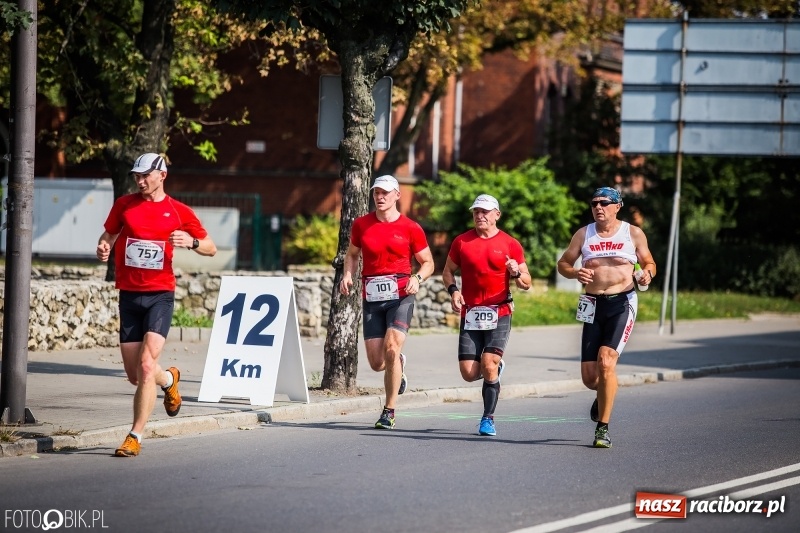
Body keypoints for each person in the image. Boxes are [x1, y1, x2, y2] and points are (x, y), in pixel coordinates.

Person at [97, 153, 217, 457]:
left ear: (161, 175)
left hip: (160, 295)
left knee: (147, 364)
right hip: (129, 295)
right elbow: (109, 234)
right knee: (136, 376)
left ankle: (134, 436)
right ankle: (170, 380)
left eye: (145, 176)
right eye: (136, 176)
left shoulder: (178, 211)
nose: (139, 181)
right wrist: (103, 246)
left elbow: (210, 247)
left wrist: (190, 242)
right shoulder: (124, 205)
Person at [557, 187, 656, 448]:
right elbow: (563, 264)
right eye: (594, 203)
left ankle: (603, 428)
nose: (598, 207)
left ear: (617, 206)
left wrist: (647, 274)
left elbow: (649, 262)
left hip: (622, 303)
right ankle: (603, 393)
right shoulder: (584, 234)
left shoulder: (632, 233)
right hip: (591, 304)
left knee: (606, 360)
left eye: (604, 203)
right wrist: (575, 273)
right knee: (590, 378)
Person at [339, 175, 435, 429]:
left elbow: (428, 263)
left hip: (401, 295)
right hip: (372, 297)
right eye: (376, 193)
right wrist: (348, 274)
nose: (380, 197)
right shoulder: (362, 225)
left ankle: (389, 411)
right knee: (377, 362)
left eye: (385, 193)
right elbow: (352, 255)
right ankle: (399, 365)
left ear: (397, 195)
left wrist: (417, 277)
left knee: (392, 347)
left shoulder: (410, 227)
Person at [441, 194, 531, 436]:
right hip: (471, 313)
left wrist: (515, 273)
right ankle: (494, 367)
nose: (480, 216)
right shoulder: (462, 242)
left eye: (485, 212)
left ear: (496, 215)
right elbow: (447, 271)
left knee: (488, 364)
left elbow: (527, 282)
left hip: (499, 311)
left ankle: (488, 418)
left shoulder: (511, 244)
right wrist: (454, 291)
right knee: (469, 373)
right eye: (476, 212)